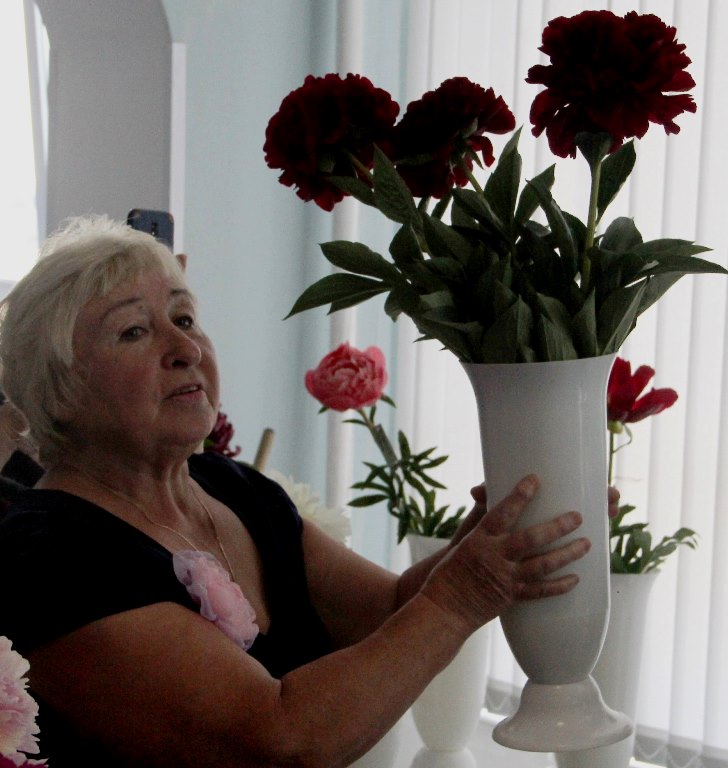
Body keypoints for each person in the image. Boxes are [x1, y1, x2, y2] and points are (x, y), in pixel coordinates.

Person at [0, 215, 609, 766]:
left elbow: (388, 613)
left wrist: (491, 540)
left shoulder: (233, 488)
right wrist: (464, 593)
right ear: (59, 391)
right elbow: (277, 739)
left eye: (184, 319)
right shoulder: (44, 553)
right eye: (134, 331)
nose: (185, 349)